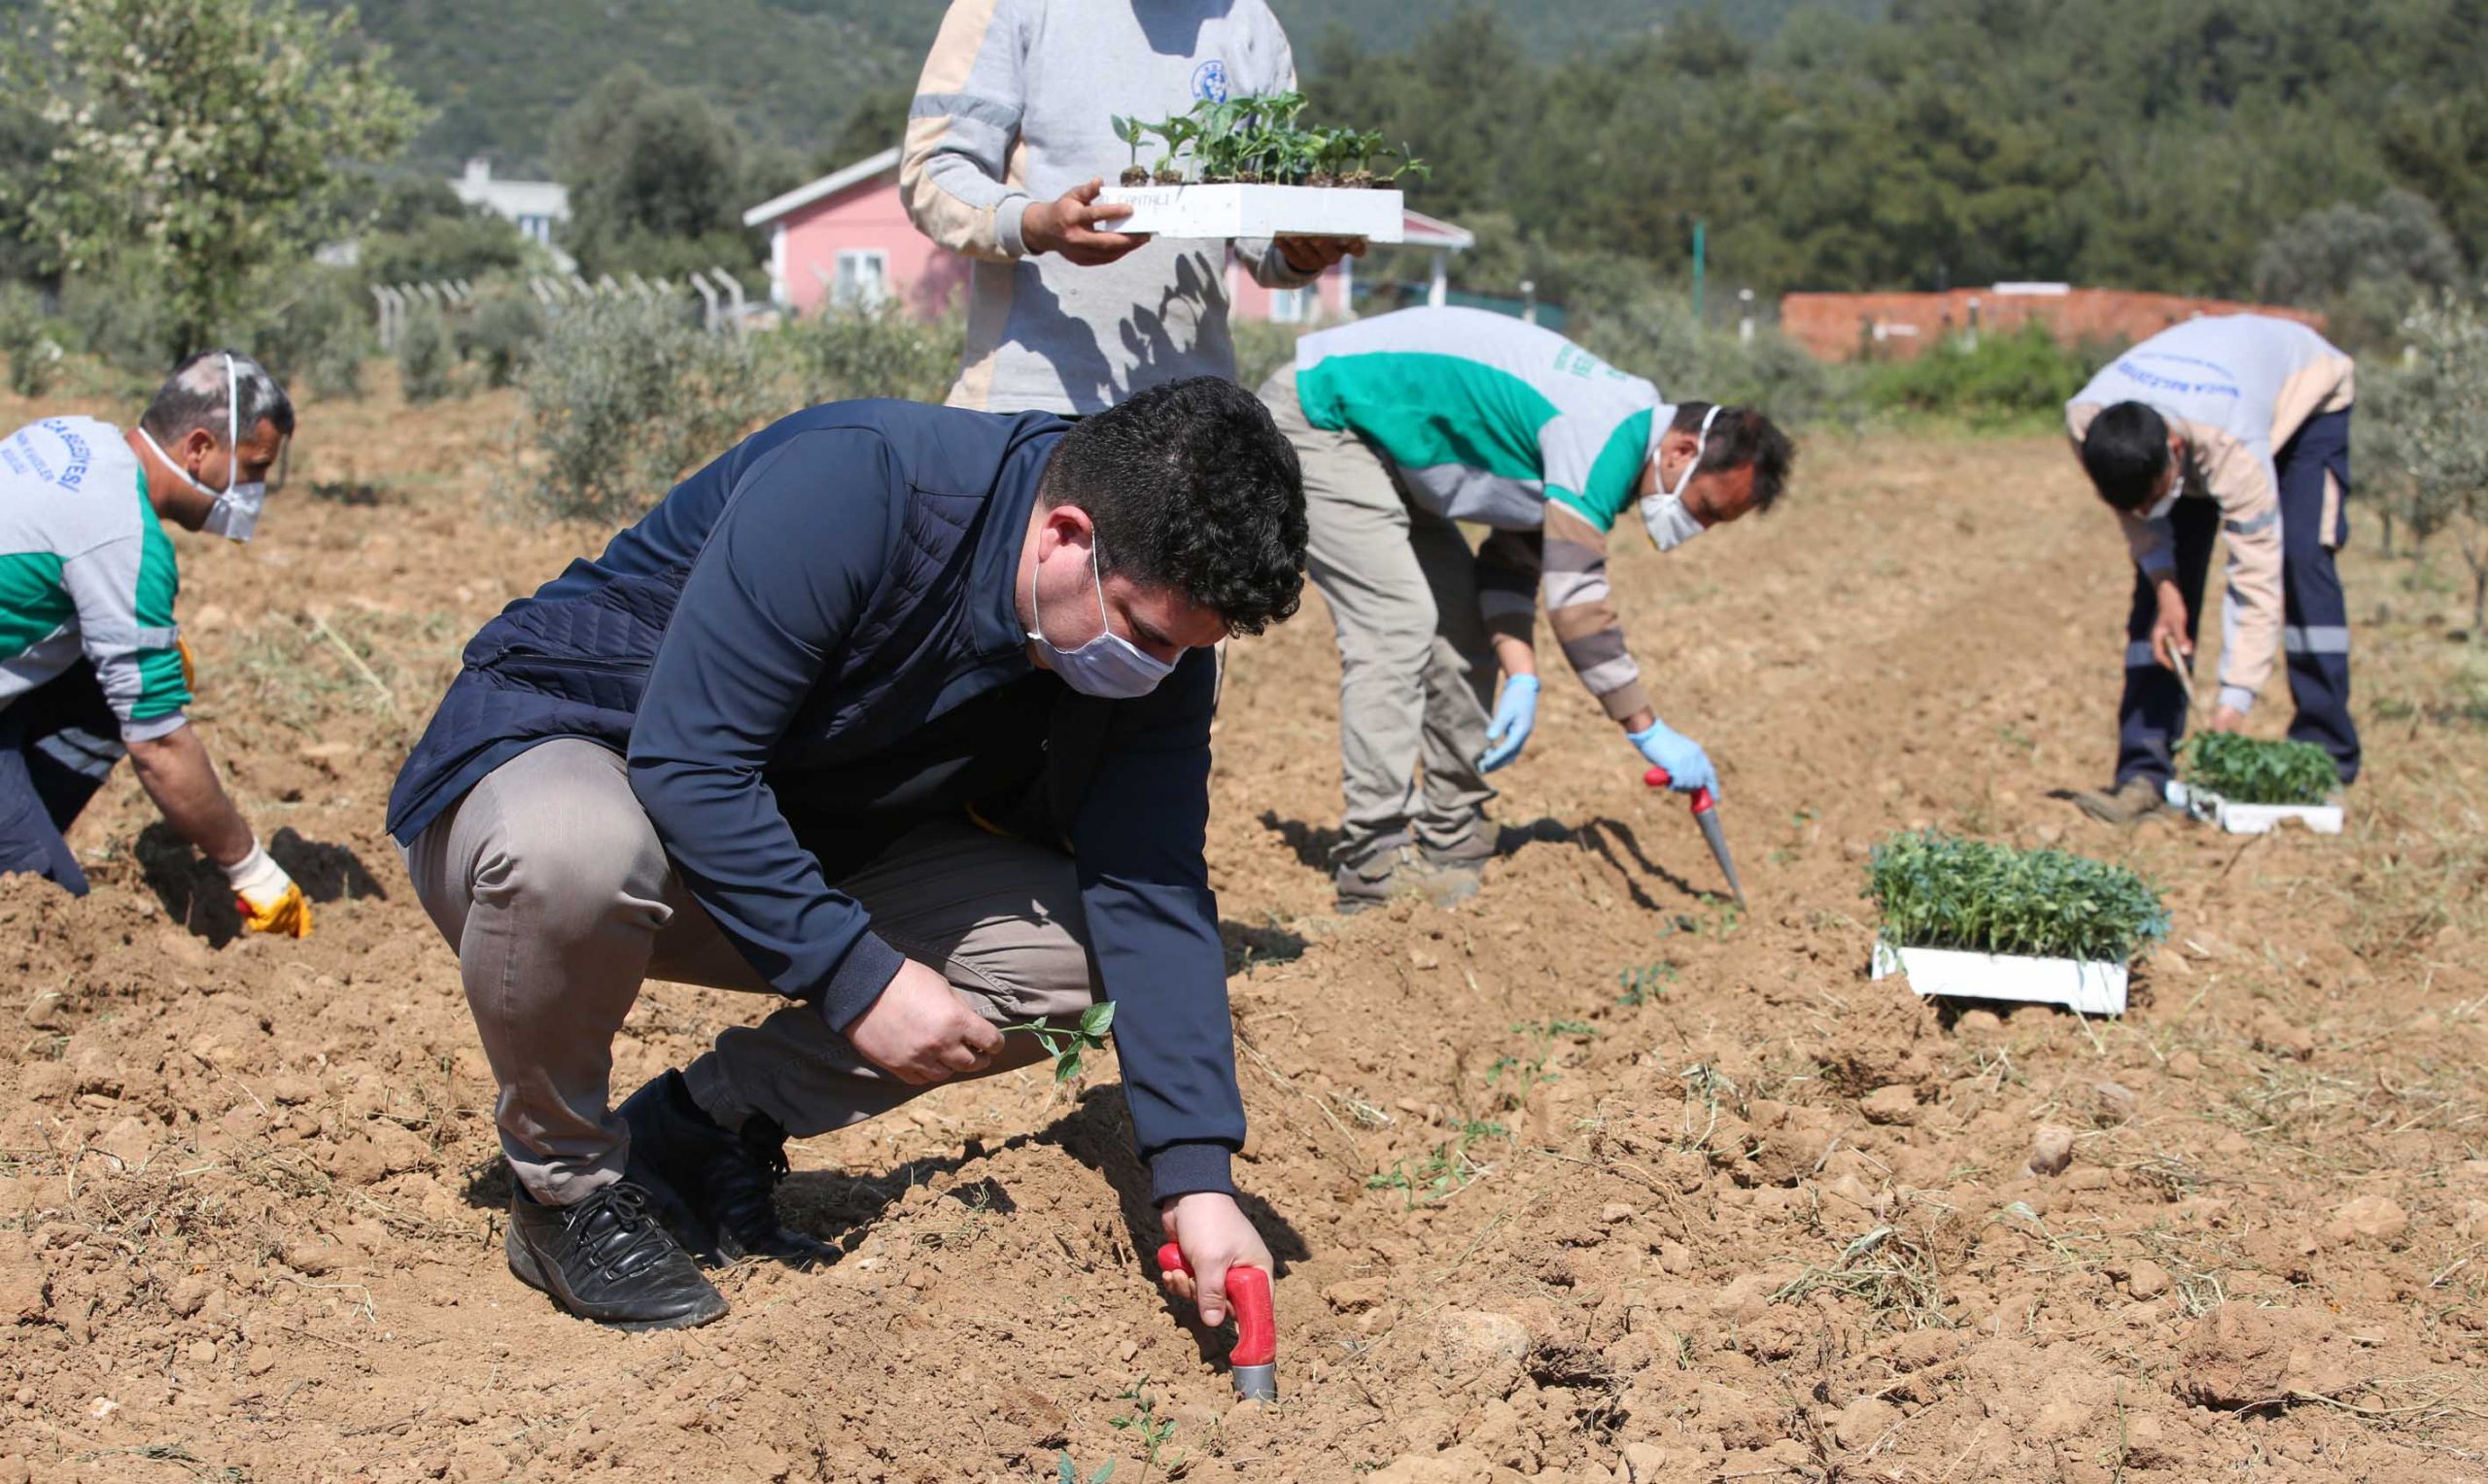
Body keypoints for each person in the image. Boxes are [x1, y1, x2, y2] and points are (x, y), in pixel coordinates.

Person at [387, 378, 1307, 1331]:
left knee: (1081, 958)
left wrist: (1195, 1177)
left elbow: (1150, 888)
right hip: (580, 767)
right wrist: (855, 977)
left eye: (1183, 652)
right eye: (1144, 633)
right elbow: (692, 761)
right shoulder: (865, 483)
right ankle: (561, 1189)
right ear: (1067, 535)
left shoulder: (1151, 641)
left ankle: (702, 1129)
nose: (1153, 671)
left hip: (786, 830)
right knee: (571, 851)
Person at [1258, 307, 1795, 910]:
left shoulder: (1618, 437)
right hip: (1323, 417)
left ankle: (1451, 834)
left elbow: (1511, 567)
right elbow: (1576, 601)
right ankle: (1373, 860)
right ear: (1682, 450)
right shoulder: (1603, 433)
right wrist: (1646, 727)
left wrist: (1523, 674)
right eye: (1706, 508)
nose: (1699, 527)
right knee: (1397, 620)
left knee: (1461, 626)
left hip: (1389, 453)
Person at [900, 0, 1360, 415]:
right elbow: (933, 172)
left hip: (1194, 409)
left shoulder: (1250, 24)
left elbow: (1259, 228)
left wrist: (1299, 252)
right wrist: (1035, 224)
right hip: (1033, 400)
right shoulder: (1013, 6)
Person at [0, 350, 312, 934]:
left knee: (151, 668)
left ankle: (24, 826)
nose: (254, 490)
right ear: (198, 447)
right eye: (254, 468)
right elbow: (159, 745)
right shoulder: (124, 536)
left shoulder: (76, 438)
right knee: (44, 918)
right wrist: (251, 869)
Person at [2063, 314, 2358, 823]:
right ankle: (2144, 771)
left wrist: (2233, 705)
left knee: (2301, 563)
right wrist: (2166, 587)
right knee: (2158, 603)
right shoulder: (2088, 423)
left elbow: (2254, 579)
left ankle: (2324, 759)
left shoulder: (2233, 448)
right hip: (2203, 412)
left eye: (2153, 499)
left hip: (2304, 400)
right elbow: (2137, 519)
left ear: (2174, 455)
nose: (2141, 516)